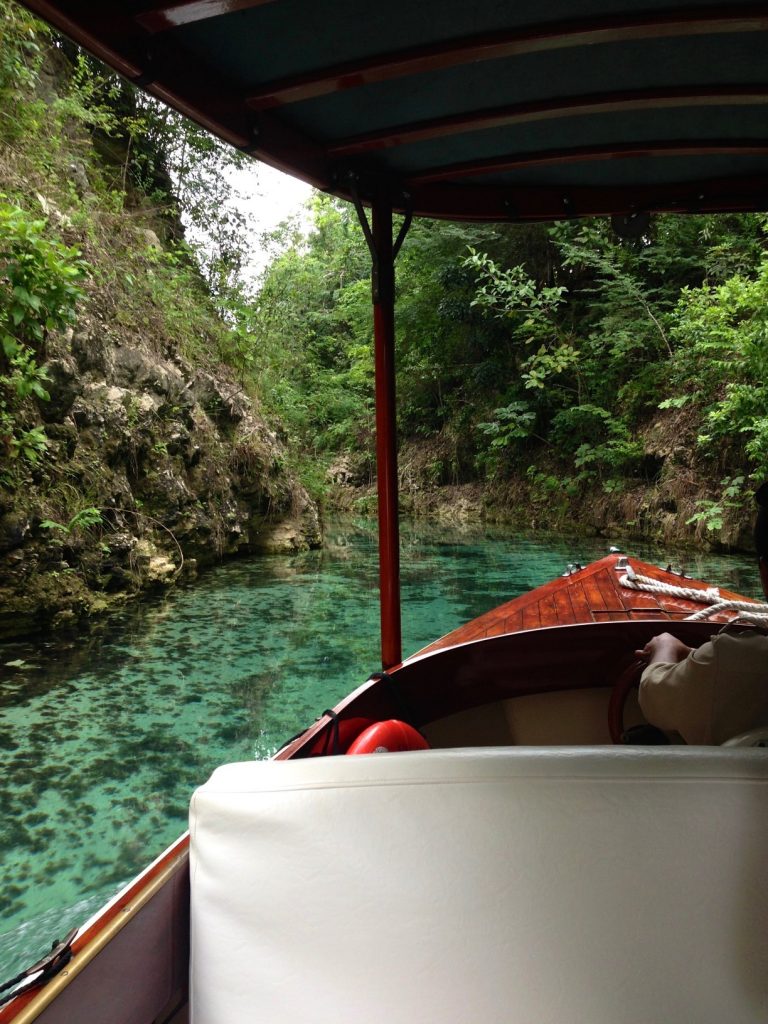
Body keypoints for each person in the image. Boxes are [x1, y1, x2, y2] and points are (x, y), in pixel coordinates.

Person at [633, 484, 768, 745]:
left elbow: (653, 696)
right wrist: (696, 655)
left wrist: (666, 646)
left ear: (764, 572)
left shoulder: (730, 658)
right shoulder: (731, 661)